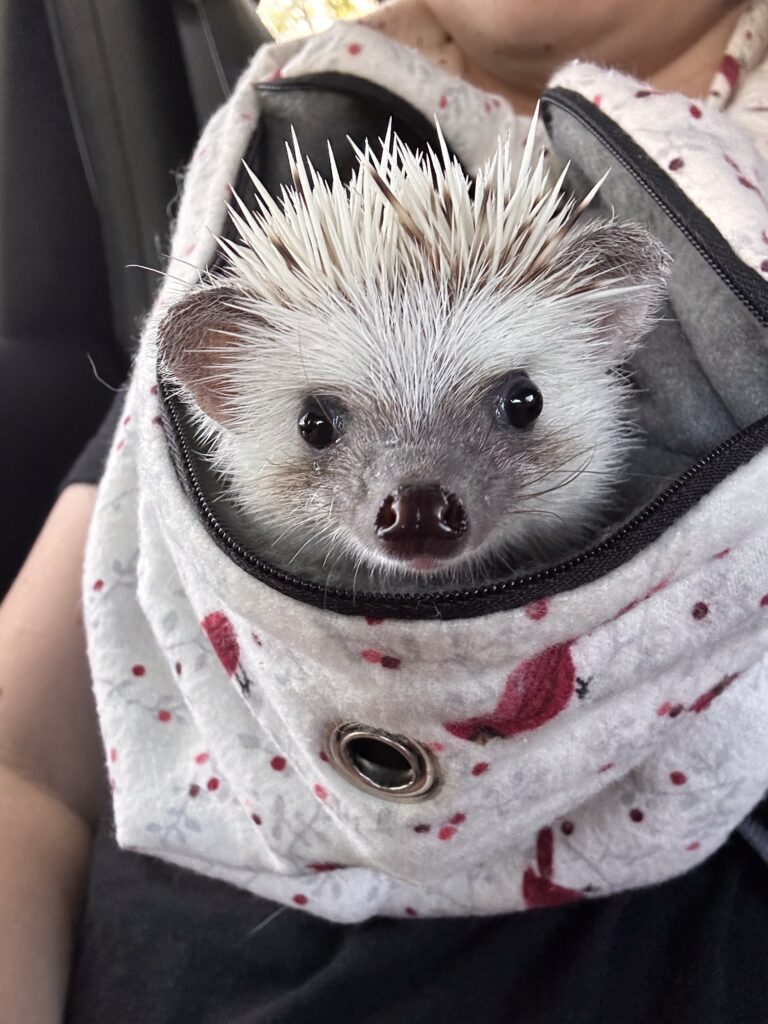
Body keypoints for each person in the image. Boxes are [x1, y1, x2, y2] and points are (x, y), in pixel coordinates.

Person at [1, 1, 767, 1021]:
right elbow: (23, 764)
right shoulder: (281, 172)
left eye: (514, 406)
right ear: (219, 392)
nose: (415, 492)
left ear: (616, 334)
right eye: (321, 423)